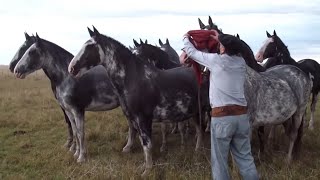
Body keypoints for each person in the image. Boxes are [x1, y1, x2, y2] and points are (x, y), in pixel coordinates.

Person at [181, 30, 259, 180]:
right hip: (242, 117)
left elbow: (192, 52)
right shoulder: (241, 62)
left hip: (222, 118)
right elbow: (239, 47)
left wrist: (185, 37)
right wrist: (223, 39)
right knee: (245, 159)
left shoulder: (216, 60)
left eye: (220, 44)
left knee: (220, 162)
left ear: (223, 48)